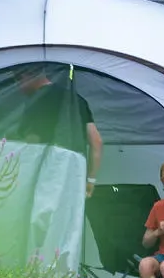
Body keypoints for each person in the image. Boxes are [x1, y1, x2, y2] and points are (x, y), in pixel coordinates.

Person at [13, 64, 103, 194]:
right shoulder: (77, 99)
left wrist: (21, 177)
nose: (17, 87)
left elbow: (32, 143)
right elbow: (97, 142)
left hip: (45, 179)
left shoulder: (35, 102)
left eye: (17, 80)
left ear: (26, 76)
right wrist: (90, 181)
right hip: (74, 177)